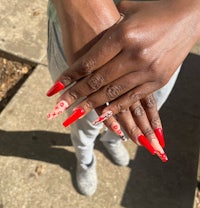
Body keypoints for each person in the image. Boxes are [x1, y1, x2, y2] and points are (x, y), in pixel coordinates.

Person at [46, 0, 200, 196]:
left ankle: (113, 140)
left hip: (170, 37)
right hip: (84, 33)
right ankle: (84, 157)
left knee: (141, 115)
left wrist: (195, 15)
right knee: (85, 119)